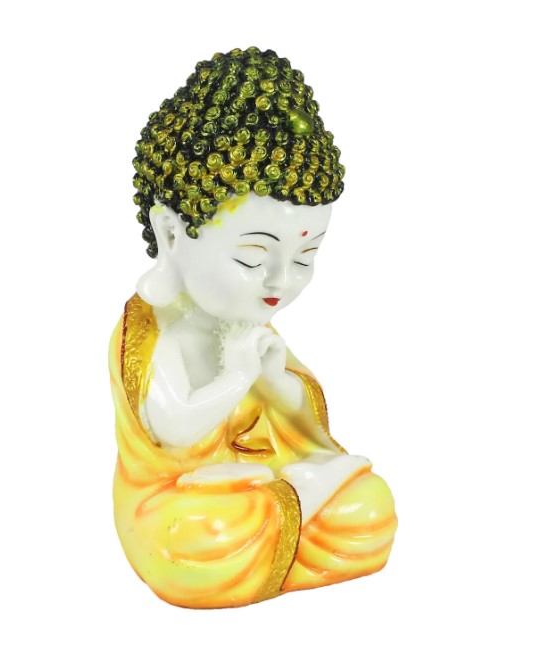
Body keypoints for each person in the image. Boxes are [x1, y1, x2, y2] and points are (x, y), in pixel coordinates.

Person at [109, 47, 397, 608]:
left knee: (370, 507)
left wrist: (277, 383)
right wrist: (237, 375)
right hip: (178, 505)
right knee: (196, 537)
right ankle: (296, 512)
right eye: (252, 257)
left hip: (254, 484)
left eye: (306, 257)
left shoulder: (247, 324)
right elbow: (174, 429)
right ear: (171, 234)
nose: (280, 282)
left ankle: (292, 513)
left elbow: (301, 424)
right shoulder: (151, 331)